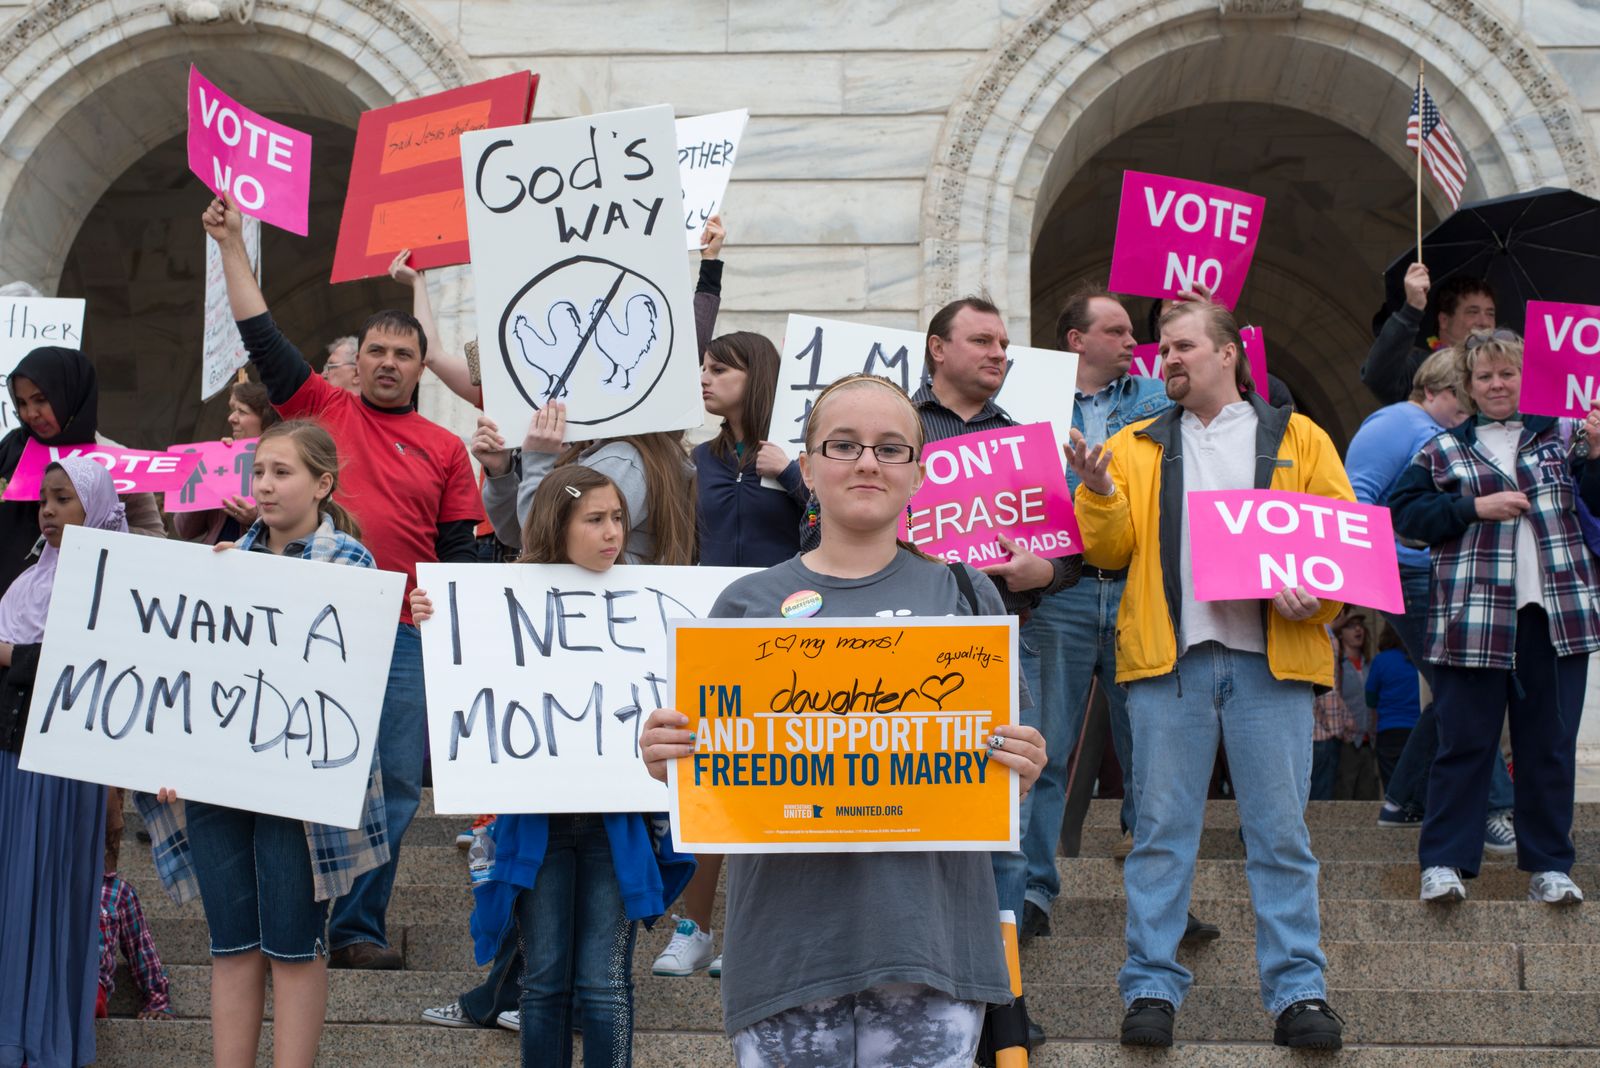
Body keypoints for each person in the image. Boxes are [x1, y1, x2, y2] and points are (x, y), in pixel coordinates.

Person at [639, 373, 1047, 1067]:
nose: (867, 462)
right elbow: (716, 782)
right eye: (844, 444)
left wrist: (1023, 762)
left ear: (919, 473)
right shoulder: (747, 603)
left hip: (933, 947)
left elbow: (1006, 770)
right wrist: (666, 757)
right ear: (806, 467)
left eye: (892, 448)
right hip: (787, 954)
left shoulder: (966, 591)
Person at [203, 195, 484, 970]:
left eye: (404, 353)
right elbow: (263, 334)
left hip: (398, 634)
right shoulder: (323, 407)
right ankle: (292, 914)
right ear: (356, 363)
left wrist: (446, 609)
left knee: (394, 785)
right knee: (293, 769)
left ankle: (357, 927)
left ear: (422, 368)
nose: (389, 363)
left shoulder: (445, 450)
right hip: (300, 626)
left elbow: (462, 552)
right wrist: (232, 244)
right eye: (376, 352)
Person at [1067, 299, 1350, 1050]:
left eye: (1183, 346)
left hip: (1273, 664)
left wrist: (1316, 597)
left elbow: (1341, 552)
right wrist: (1095, 494)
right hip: (1172, 665)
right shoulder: (1133, 444)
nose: (1167, 360)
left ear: (1230, 354)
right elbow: (1107, 552)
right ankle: (1151, 988)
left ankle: (1300, 994)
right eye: (1163, 351)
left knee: (1281, 836)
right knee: (1160, 836)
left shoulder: (1300, 438)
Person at [413, 466, 695, 1067]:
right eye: (595, 519)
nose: (612, 532)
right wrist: (432, 614)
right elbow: (467, 665)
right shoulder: (499, 598)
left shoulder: (652, 599)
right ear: (556, 526)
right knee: (541, 983)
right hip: (534, 825)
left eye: (618, 517)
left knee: (605, 982)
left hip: (617, 825)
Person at [141, 420, 390, 1067]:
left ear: (322, 484)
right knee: (231, 944)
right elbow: (186, 679)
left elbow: (358, 686)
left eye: (282, 472)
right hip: (219, 779)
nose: (265, 485)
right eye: (258, 473)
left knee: (292, 945)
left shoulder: (353, 565)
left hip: (299, 790)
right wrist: (170, 756)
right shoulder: (220, 566)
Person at [1389, 330, 1600, 906]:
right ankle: (1443, 862)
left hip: (1557, 618)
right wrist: (1471, 507)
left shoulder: (1563, 440)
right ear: (1469, 385)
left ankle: (1550, 867)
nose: (1497, 384)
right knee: (1465, 743)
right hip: (1473, 619)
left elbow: (1595, 506)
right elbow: (1403, 514)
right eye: (1485, 376)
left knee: (1549, 747)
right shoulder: (1440, 450)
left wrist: (1599, 457)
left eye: (1507, 374)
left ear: (1525, 379)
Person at [1017, 280, 1169, 944]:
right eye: (1118, 330)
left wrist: (1190, 314)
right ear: (1076, 340)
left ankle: (1161, 897)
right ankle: (1029, 890)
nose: (1134, 340)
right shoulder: (1026, 400)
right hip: (1062, 591)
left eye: (1135, 331)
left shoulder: (1157, 397)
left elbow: (1236, 394)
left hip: (1140, 588)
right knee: (1045, 748)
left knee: (1153, 753)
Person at [653, 330, 808, 981]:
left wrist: (794, 476)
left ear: (758, 375)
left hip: (790, 643)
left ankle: (752, 933)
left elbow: (836, 530)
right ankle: (694, 932)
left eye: (720, 369)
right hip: (713, 639)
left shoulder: (799, 452)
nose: (705, 379)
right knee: (705, 786)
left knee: (773, 789)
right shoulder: (699, 459)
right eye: (704, 368)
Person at [1346, 348, 1516, 844]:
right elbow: (1356, 498)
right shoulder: (1397, 424)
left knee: (1453, 688)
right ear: (1435, 391)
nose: (1466, 418)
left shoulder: (1417, 427)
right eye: (1461, 408)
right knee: (1467, 686)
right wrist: (1400, 551)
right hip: (1410, 575)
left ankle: (1403, 800)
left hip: (1426, 574)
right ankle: (1495, 808)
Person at [0, 457, 126, 1067]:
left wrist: (9, 655)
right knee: (13, 898)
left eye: (63, 499)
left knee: (48, 897)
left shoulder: (118, 584)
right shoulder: (27, 584)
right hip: (12, 761)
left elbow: (83, 666)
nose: (47, 511)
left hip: (67, 768)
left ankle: (42, 1039)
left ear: (96, 508)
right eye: (43, 499)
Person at [0, 346, 165, 595]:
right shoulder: (10, 450)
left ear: (70, 395)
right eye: (22, 403)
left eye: (41, 400)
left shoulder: (115, 461)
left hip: (80, 609)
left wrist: (102, 527)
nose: (31, 414)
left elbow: (157, 542)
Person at [1362, 267, 1495, 405]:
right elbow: (1378, 378)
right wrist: (1412, 309)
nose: (1485, 322)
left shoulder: (1503, 373)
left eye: (1490, 314)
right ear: (1444, 320)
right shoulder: (1421, 366)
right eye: (1472, 312)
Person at [172, 380, 279, 546]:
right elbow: (185, 530)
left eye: (242, 412)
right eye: (232, 411)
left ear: (265, 419)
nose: (231, 418)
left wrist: (257, 518)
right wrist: (211, 467)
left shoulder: (283, 464)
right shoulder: (223, 460)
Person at [98, 808, 172, 1021]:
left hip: (90, 985)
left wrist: (158, 1000)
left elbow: (141, 947)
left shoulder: (117, 892)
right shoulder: (45, 882)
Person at [1367, 624, 1423, 787]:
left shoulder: (1381, 660)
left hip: (1389, 732)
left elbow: (1370, 699)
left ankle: (1393, 812)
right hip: (1418, 731)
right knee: (1416, 786)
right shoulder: (1419, 660)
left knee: (1392, 789)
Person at [1330, 613, 1378, 801]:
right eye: (1351, 626)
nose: (1358, 629)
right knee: (1344, 791)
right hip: (1346, 741)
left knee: (1368, 794)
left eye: (1360, 625)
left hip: (1370, 740)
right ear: (1341, 633)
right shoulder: (1339, 665)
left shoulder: (1370, 665)